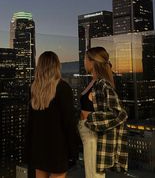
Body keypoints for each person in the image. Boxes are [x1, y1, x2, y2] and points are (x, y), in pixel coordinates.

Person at [27, 51, 78, 178]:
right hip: (58, 149)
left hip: (38, 148)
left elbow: (30, 123)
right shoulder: (63, 88)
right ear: (56, 66)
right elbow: (69, 123)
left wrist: (29, 149)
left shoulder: (33, 89)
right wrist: (74, 151)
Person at [78, 47, 128, 178]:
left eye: (85, 58)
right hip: (88, 132)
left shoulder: (103, 84)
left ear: (92, 61)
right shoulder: (94, 82)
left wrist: (90, 118)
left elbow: (119, 114)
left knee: (93, 175)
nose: (83, 62)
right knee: (92, 174)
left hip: (93, 133)